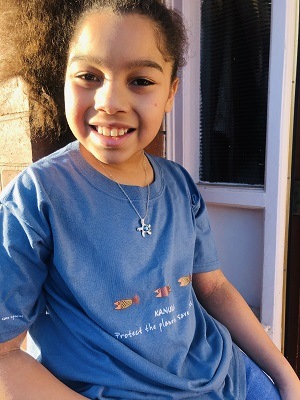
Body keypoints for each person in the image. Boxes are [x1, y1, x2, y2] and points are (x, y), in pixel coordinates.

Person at [0, 1, 299, 399]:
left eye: (140, 81)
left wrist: (284, 374)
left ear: (171, 92)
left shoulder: (179, 185)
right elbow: (4, 353)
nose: (110, 101)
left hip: (232, 378)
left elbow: (213, 288)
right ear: (64, 79)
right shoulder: (38, 198)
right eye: (89, 75)